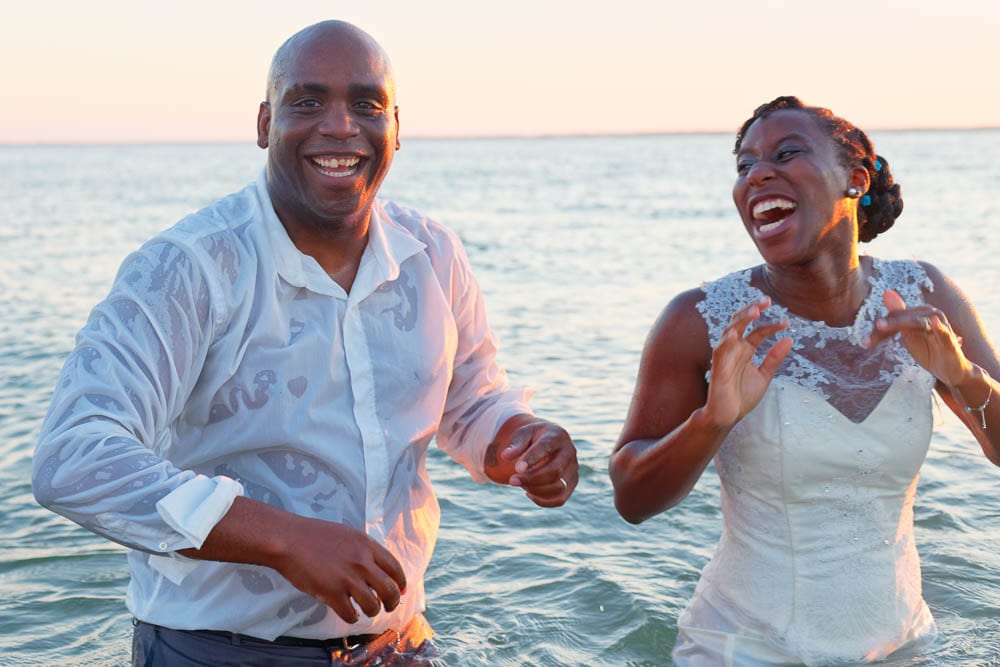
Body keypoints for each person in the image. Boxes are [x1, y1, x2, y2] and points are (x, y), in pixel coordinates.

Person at [32, 20, 578, 666]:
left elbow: (469, 405)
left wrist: (519, 441)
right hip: (218, 651)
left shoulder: (433, 254)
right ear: (265, 123)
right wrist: (283, 538)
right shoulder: (190, 267)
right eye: (308, 101)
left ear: (397, 127)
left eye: (367, 104)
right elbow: (72, 455)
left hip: (400, 644)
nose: (341, 125)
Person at [609, 96, 1000, 665]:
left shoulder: (925, 294)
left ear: (855, 179)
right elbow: (631, 500)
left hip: (902, 646)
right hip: (740, 648)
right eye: (744, 166)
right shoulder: (699, 320)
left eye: (787, 153)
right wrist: (713, 421)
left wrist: (964, 379)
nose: (758, 173)